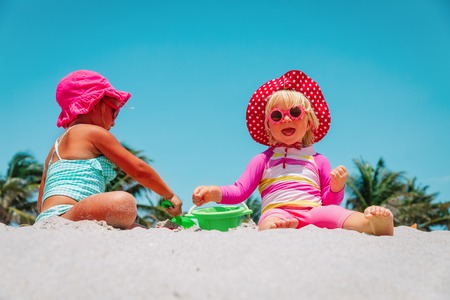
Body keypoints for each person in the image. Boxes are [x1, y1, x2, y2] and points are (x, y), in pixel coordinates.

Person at [192, 70, 394, 235]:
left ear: (308, 122)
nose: (287, 120)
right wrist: (214, 192)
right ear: (268, 126)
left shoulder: (318, 160)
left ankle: (370, 224)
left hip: (313, 212)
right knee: (269, 222)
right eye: (277, 115)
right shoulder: (263, 160)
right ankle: (274, 230)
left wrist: (336, 187)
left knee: (335, 212)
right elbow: (239, 190)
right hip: (277, 211)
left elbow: (329, 201)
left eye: (295, 113)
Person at [36, 70, 182, 229]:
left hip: (47, 217)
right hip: (67, 214)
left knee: (138, 228)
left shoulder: (53, 151)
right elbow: (138, 169)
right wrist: (170, 195)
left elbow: (40, 203)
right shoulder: (92, 132)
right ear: (94, 103)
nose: (114, 122)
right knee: (123, 203)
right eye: (114, 111)